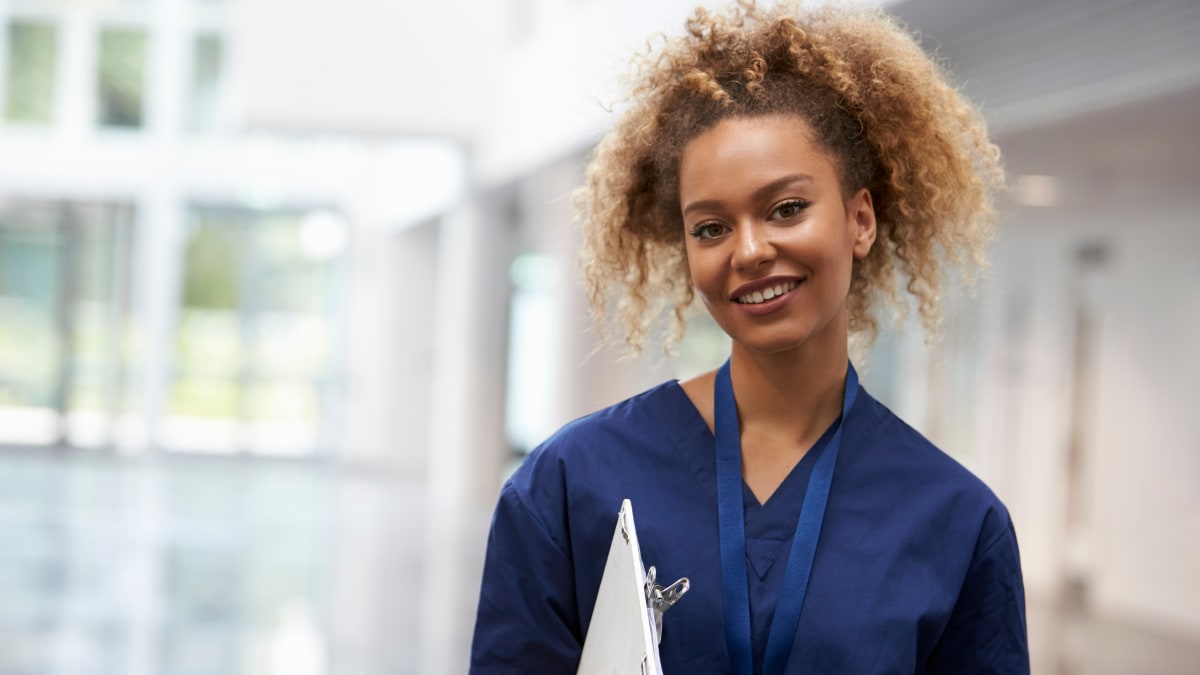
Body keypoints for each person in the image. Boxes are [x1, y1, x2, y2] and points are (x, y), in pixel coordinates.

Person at [470, 1, 1028, 673]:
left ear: (860, 220)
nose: (751, 249)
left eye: (786, 208)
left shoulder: (956, 523)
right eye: (711, 227)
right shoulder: (570, 483)